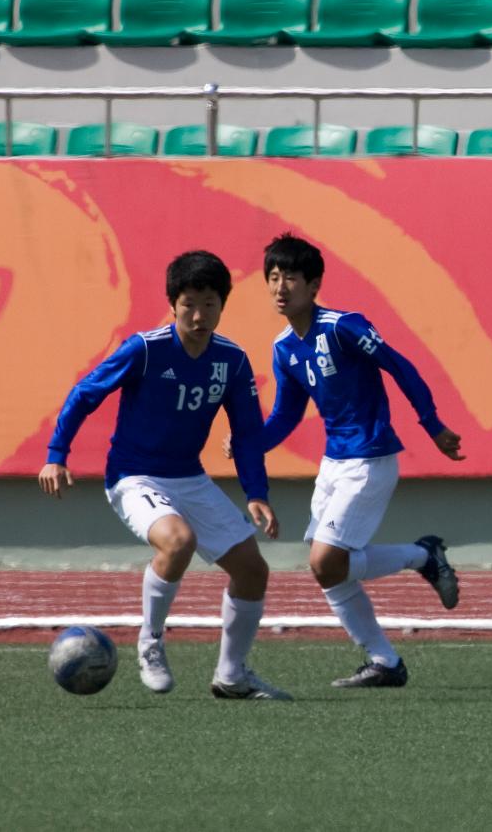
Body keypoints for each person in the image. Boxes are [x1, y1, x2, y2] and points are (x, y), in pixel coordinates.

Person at [39, 251, 290, 700]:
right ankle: (150, 641)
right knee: (178, 541)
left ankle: (231, 676)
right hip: (134, 477)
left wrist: (256, 492)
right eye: (189, 303)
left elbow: (248, 433)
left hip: (189, 479)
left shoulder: (231, 361)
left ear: (222, 305)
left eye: (210, 303)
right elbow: (84, 394)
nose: (199, 314)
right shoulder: (146, 349)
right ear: (172, 303)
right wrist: (57, 454)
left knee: (252, 570)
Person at [242, 233, 464, 690]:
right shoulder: (284, 347)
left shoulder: (344, 326)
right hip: (333, 463)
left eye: (291, 278)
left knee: (327, 562)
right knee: (328, 567)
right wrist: (253, 443)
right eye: (273, 278)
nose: (281, 288)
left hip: (371, 458)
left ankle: (422, 557)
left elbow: (400, 365)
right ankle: (385, 660)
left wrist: (432, 424)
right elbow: (285, 414)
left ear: (315, 283)